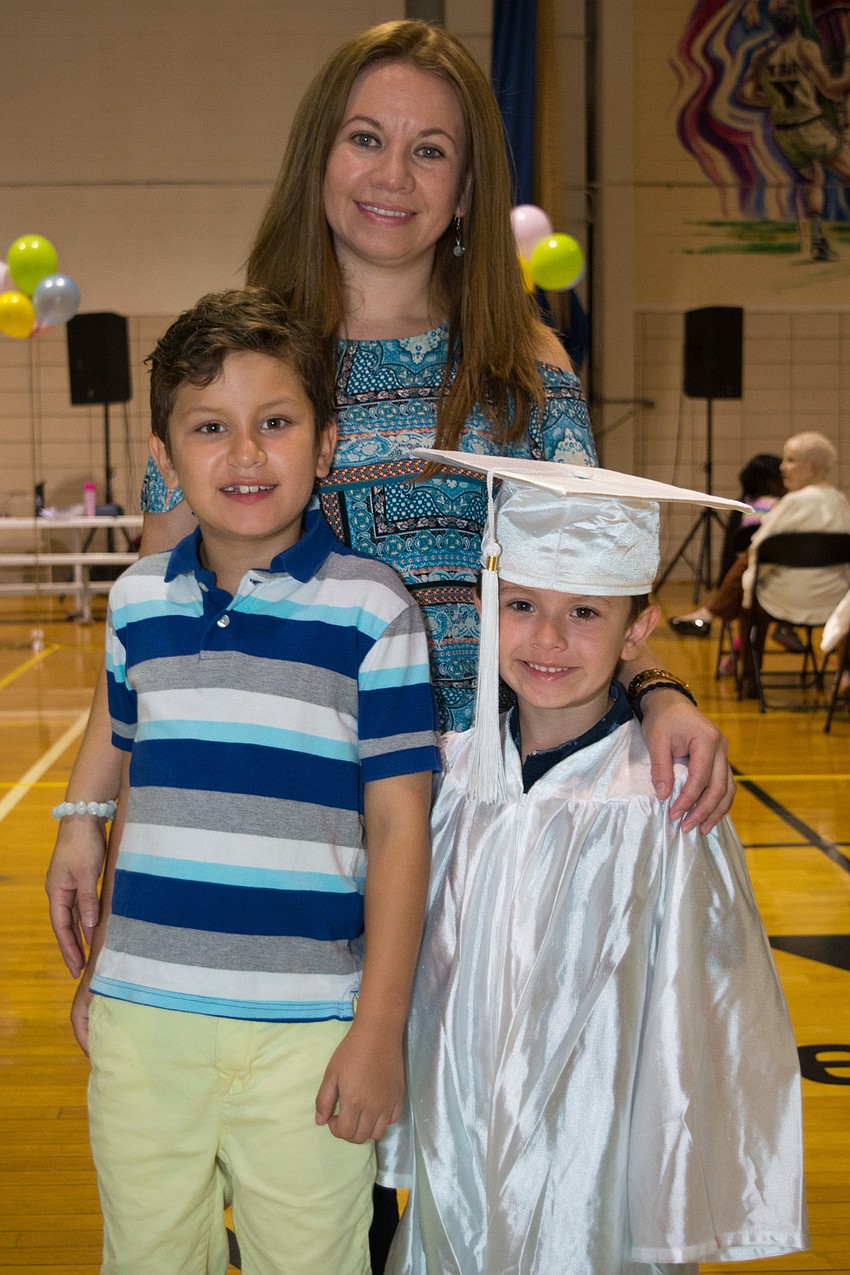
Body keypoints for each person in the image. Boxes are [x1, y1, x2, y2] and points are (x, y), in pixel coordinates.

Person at [47, 18, 734, 986]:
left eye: (430, 151)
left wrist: (661, 698)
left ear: (465, 189)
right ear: (320, 154)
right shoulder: (241, 368)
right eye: (366, 138)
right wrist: (91, 821)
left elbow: (587, 592)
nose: (392, 177)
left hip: (487, 834)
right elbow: (153, 640)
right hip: (289, 834)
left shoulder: (528, 367)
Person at [68, 289, 441, 1274]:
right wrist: (106, 967)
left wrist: (379, 1029)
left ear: (324, 446)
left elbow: (402, 831)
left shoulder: (374, 608)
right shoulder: (137, 602)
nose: (243, 455)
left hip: (308, 1036)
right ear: (163, 456)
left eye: (274, 423)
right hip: (145, 1029)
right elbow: (145, 799)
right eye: (209, 428)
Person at [379, 451, 808, 1274]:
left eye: (585, 611)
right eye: (521, 605)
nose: (546, 636)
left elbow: (702, 1002)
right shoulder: (451, 772)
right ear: (486, 605)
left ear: (638, 628)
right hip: (457, 1145)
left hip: (597, 1156)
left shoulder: (659, 798)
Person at [668, 435, 850, 675]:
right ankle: (844, 675)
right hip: (835, 601)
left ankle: (749, 677)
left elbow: (759, 550)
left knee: (749, 588)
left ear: (812, 468)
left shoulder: (794, 502)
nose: (782, 467)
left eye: (790, 460)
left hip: (785, 600)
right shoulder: (841, 502)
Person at [738, 0, 850, 261]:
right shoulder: (805, 48)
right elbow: (831, 89)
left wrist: (774, 100)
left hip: (784, 133)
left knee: (815, 180)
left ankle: (818, 240)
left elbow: (745, 94)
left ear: (773, 24)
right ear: (799, 20)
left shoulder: (761, 55)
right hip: (809, 127)